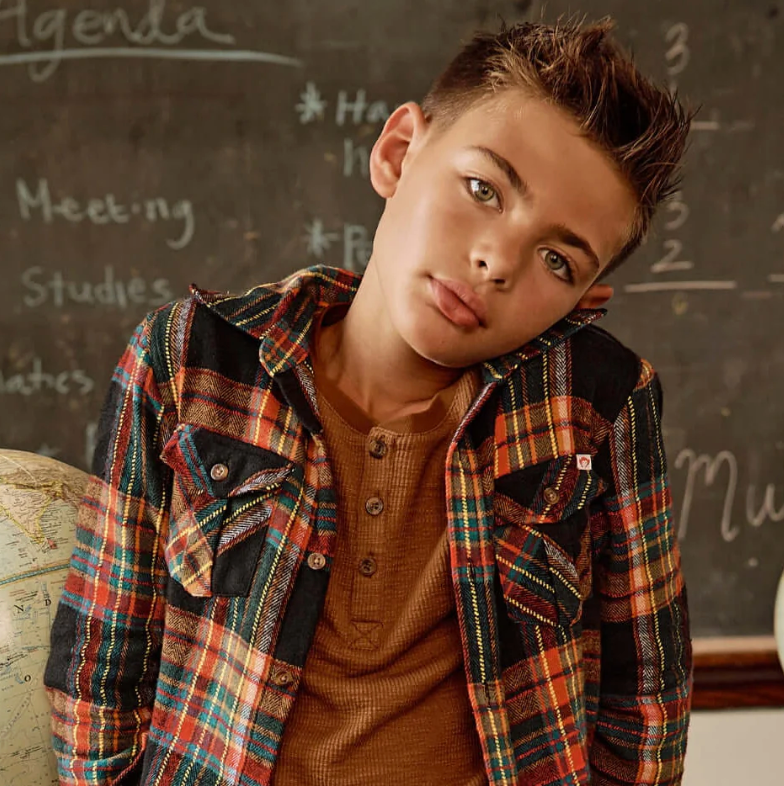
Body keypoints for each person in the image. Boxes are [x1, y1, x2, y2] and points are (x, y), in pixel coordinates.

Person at [45, 18, 693, 786]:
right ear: (397, 153)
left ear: (586, 299)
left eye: (557, 258)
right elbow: (98, 662)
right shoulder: (185, 361)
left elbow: (646, 689)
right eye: (483, 189)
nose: (495, 260)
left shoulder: (598, 406)